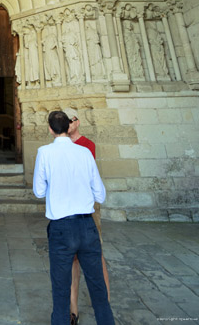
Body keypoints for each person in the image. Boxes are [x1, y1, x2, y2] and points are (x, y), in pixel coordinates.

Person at [33, 110, 115, 325]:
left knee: (60, 290)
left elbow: (39, 191)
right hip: (87, 225)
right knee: (98, 288)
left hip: (61, 228)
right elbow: (100, 194)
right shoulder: (84, 153)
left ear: (50, 129)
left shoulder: (44, 152)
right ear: (68, 127)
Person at [66, 111, 110, 325]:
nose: (67, 124)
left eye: (70, 120)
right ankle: (73, 308)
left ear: (77, 122)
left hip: (88, 204)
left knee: (96, 253)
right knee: (72, 258)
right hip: (69, 205)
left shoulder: (86, 144)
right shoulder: (61, 145)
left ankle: (105, 302)